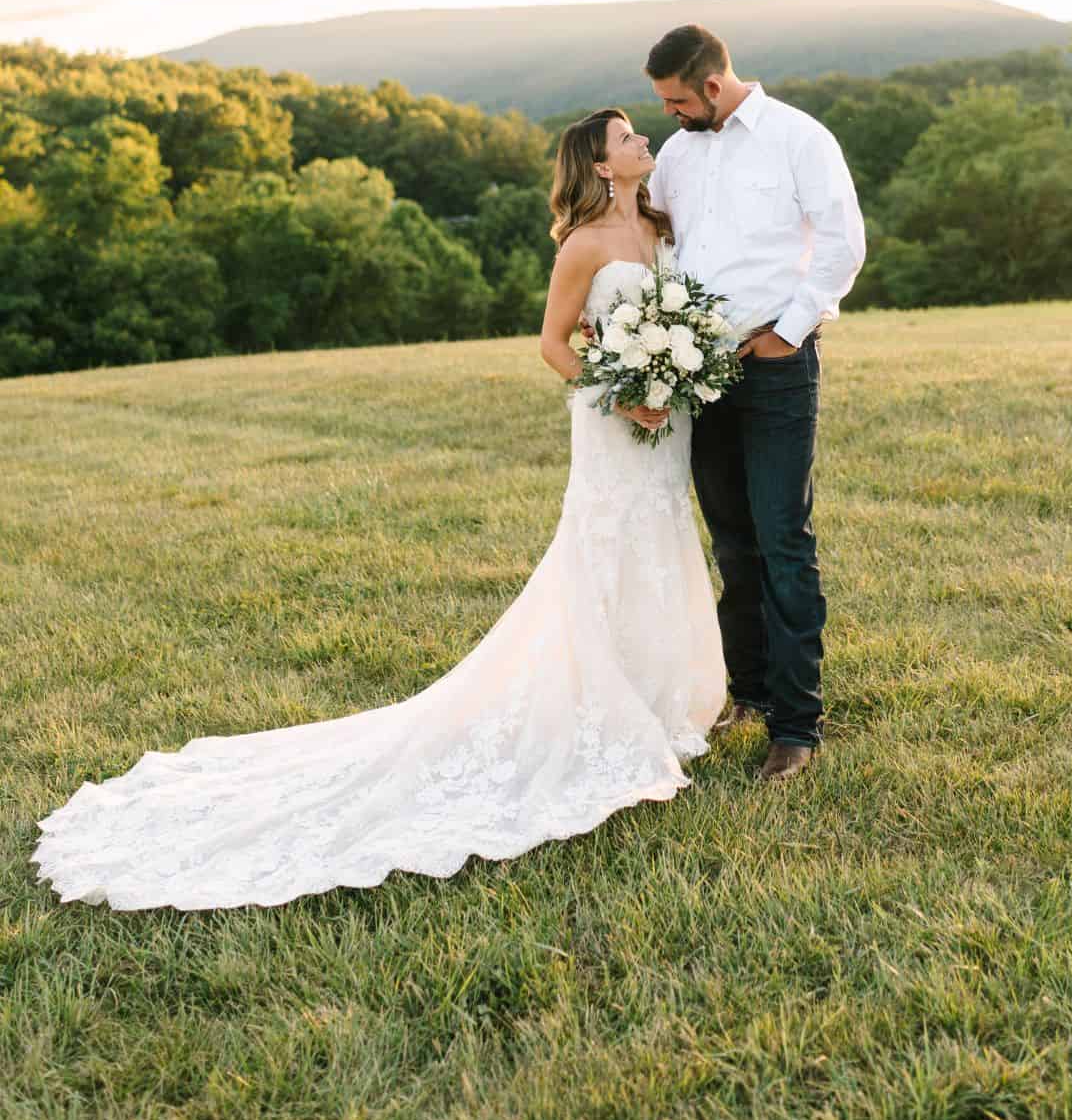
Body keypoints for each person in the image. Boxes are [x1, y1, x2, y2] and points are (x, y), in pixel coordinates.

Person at [30, 110, 725, 912]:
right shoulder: (583, 246)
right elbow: (553, 342)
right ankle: (599, 704)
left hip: (665, 420)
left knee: (665, 535)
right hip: (613, 422)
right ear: (600, 165)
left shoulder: (659, 225)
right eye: (627, 136)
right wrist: (621, 393)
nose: (642, 142)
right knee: (608, 545)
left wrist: (664, 385)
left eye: (640, 131)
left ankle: (664, 693)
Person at [645, 24, 866, 781]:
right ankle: (747, 692)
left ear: (711, 85)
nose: (668, 114)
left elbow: (843, 244)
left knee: (782, 540)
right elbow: (661, 248)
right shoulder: (675, 155)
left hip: (775, 369)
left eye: (676, 99)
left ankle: (796, 726)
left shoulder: (798, 138)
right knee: (731, 542)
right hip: (697, 374)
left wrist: (788, 330)